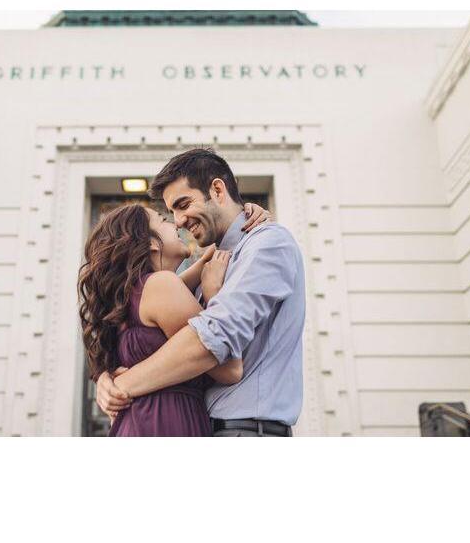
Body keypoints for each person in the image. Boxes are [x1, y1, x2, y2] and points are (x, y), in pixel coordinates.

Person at [96, 148, 306, 437]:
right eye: (169, 214)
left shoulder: (267, 244)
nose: (178, 221)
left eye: (183, 205)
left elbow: (213, 338)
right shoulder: (207, 266)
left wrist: (122, 384)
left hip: (245, 431)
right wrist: (105, 378)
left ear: (217, 190)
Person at [78, 200, 270, 436]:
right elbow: (230, 369)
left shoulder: (133, 296)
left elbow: (203, 263)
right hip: (165, 423)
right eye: (163, 220)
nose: (176, 224)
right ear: (150, 242)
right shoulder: (160, 285)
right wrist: (214, 295)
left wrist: (243, 213)